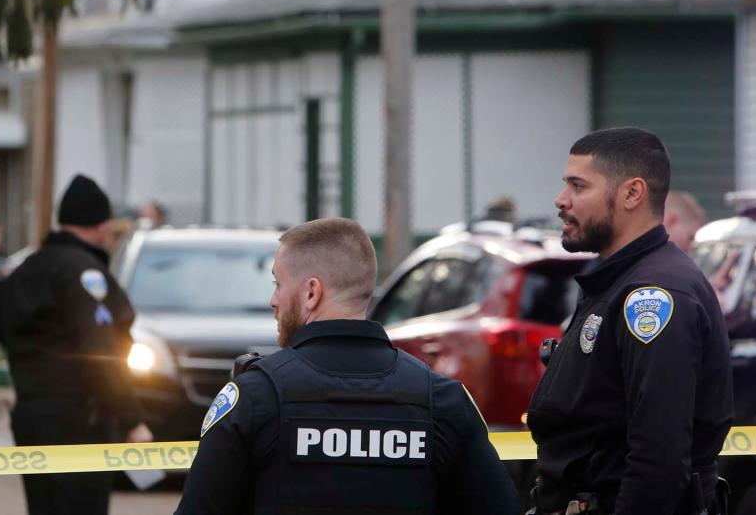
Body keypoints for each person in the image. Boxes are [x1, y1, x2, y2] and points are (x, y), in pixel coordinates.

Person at [174, 217, 519, 515]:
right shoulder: (442, 401)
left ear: (312, 292)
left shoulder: (254, 396)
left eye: (279, 284)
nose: (273, 300)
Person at [526, 128, 733, 515]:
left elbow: (660, 458)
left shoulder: (654, 295)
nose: (561, 199)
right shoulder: (615, 281)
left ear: (632, 193)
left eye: (578, 186)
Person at [3, 174, 153, 515]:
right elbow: (101, 352)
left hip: (31, 414)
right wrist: (132, 419)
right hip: (78, 421)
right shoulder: (85, 274)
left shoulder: (27, 268)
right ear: (99, 225)